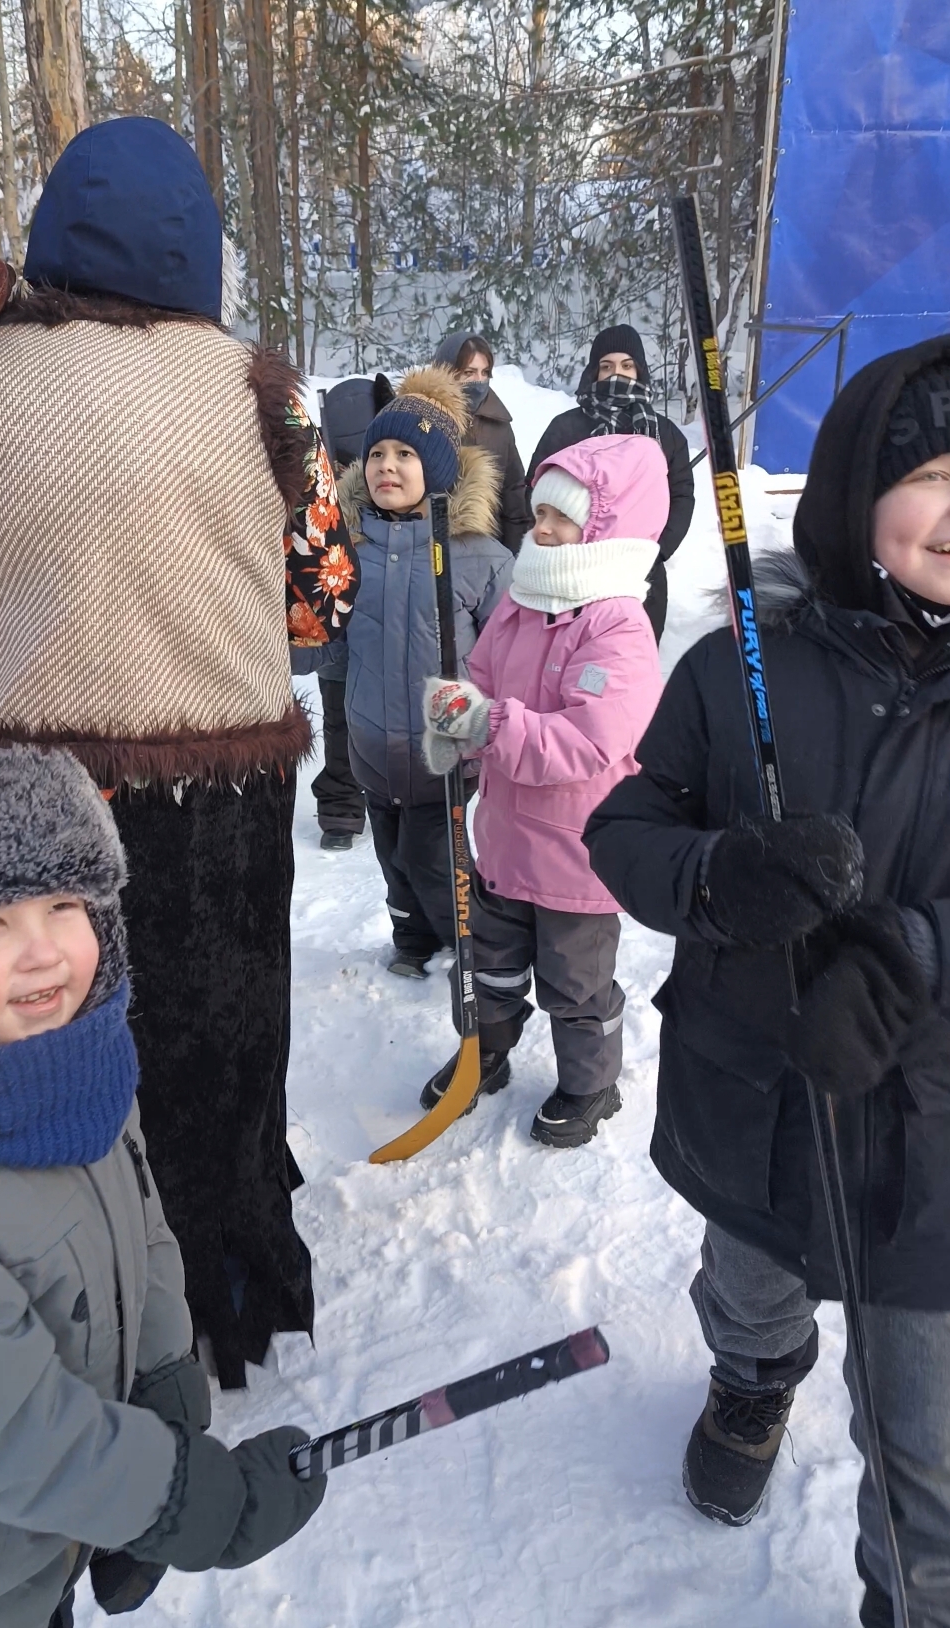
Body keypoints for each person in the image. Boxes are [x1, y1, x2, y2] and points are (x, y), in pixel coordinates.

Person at [0, 116, 360, 1391]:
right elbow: (323, 603)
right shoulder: (262, 391)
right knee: (222, 1041)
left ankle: (65, 1299)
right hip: (223, 790)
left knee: (46, 1040)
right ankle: (229, 1285)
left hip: (35, 802)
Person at [585, 337, 950, 1627]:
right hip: (750, 1094)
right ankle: (751, 1375)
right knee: (746, 1281)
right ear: (855, 491)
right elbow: (625, 826)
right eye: (933, 477)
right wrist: (717, 878)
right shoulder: (740, 662)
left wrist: (913, 956)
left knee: (926, 1444)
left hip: (929, 1148)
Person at [0, 745, 325, 1628]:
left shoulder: (81, 1066)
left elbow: (141, 1232)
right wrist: (183, 1499)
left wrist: (167, 1390)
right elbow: (8, 1434)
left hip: (35, 1553)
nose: (43, 952)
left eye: (64, 905)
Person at [417, 435, 667, 1145]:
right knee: (487, 966)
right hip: (503, 840)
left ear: (605, 532)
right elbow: (480, 677)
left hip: (576, 858)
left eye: (562, 518)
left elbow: (590, 741)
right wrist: (454, 722)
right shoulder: (523, 601)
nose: (544, 530)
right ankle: (484, 1054)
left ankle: (590, 1084)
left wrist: (487, 724)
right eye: (540, 516)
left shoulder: (618, 626)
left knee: (575, 985)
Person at [339, 365, 511, 977]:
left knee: (435, 861)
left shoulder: (480, 558)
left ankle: (471, 947)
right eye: (376, 454)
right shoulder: (349, 551)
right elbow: (331, 646)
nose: (386, 466)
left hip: (446, 752)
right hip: (372, 743)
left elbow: (507, 655)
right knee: (392, 859)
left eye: (405, 454)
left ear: (436, 469)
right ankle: (411, 938)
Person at [527, 324, 695, 642]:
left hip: (640, 573)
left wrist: (657, 550)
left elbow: (681, 495)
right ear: (594, 372)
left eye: (626, 365)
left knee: (629, 658)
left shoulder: (665, 433)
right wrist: (558, 541)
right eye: (607, 366)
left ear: (639, 371)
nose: (617, 374)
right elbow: (534, 488)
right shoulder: (567, 427)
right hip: (571, 570)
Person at [297, 373, 393, 851]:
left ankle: (356, 803)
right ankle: (342, 805)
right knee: (342, 712)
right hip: (339, 616)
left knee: (361, 714)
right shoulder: (318, 485)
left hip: (373, 616)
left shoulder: (394, 478)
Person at [434, 332, 531, 553]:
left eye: (485, 372)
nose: (478, 381)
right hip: (434, 549)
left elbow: (513, 492)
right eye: (468, 372)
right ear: (446, 371)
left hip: (489, 549)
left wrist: (513, 552)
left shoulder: (499, 425)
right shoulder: (424, 419)